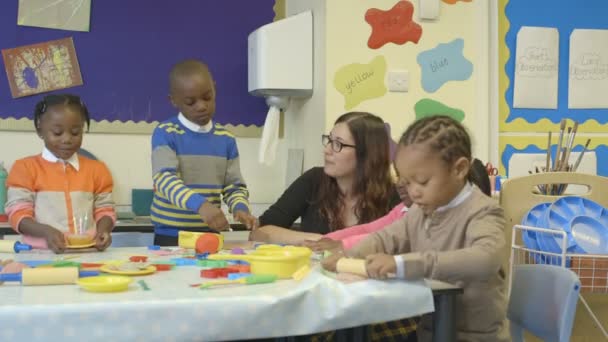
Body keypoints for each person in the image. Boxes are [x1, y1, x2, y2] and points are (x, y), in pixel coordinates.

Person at [323, 115, 509, 341]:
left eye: (422, 181)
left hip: (473, 337)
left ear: (459, 169)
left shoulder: (484, 212)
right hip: (430, 331)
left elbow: (485, 259)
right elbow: (385, 238)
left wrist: (403, 264)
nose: (413, 193)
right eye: (407, 183)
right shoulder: (419, 211)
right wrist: (348, 256)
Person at [251, 112, 417, 342]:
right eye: (328, 140)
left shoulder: (395, 197)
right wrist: (316, 240)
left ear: (366, 154)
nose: (327, 149)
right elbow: (261, 230)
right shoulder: (313, 181)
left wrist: (338, 245)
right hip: (316, 298)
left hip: (368, 303)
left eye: (338, 144)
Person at [151, 59, 257, 246]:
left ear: (214, 89)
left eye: (207, 97)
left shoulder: (226, 138)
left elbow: (234, 186)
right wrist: (200, 205)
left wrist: (240, 208)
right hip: (171, 235)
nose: (201, 106)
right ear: (173, 101)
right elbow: (164, 180)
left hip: (209, 234)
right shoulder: (166, 133)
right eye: (190, 102)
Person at [4, 94, 116, 254]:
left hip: (87, 253)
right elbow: (17, 215)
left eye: (76, 132)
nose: (67, 139)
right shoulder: (25, 168)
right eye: (57, 133)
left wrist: (104, 230)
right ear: (39, 129)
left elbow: (105, 209)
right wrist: (45, 231)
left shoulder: (97, 169)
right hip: (40, 254)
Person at [305, 158, 492, 252]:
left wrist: (341, 246)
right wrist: (329, 239)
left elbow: (387, 240)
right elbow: (373, 229)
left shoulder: (431, 218)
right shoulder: (405, 209)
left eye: (411, 179)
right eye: (399, 176)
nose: (400, 184)